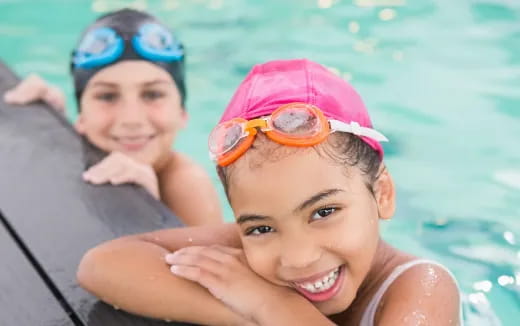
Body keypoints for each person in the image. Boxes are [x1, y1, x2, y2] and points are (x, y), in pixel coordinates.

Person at [77, 59, 462, 325]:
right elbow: (103, 265)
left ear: (382, 193)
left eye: (324, 212)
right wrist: (249, 311)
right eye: (260, 228)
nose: (297, 257)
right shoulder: (253, 248)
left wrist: (272, 304)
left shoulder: (422, 288)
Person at [3, 9, 222, 225]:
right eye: (107, 96)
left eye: (153, 94)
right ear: (81, 117)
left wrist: (149, 212)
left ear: (182, 112)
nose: (131, 119)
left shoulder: (187, 185)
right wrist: (47, 124)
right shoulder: (83, 147)